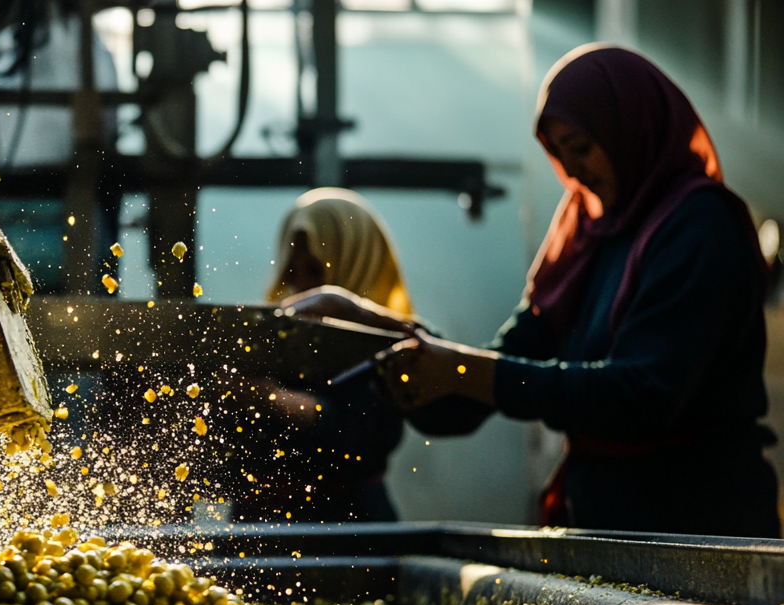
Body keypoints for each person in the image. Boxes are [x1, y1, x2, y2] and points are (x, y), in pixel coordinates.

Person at [292, 46, 778, 537]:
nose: (573, 173)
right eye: (559, 155)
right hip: (606, 527)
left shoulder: (699, 227)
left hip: (698, 524)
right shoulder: (589, 237)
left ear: (630, 129)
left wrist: (460, 371)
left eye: (582, 147)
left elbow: (638, 399)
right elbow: (485, 377)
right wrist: (365, 322)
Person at [224, 188, 417, 523]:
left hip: (349, 534)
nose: (302, 286)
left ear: (357, 261)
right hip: (261, 531)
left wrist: (268, 397)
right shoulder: (276, 336)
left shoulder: (393, 347)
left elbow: (356, 439)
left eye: (314, 270)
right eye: (291, 272)